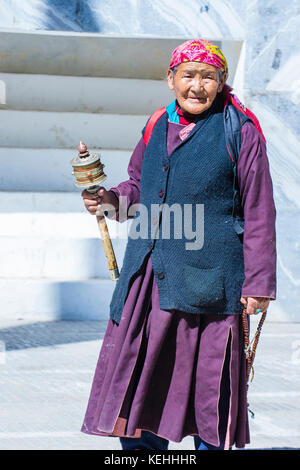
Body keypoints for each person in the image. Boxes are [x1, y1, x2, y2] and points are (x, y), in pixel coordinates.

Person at [80, 39, 276, 450]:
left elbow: (259, 209)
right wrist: (110, 200)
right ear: (171, 79)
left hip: (210, 286)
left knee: (208, 395)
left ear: (221, 83)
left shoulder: (238, 131)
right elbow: (138, 186)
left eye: (208, 76)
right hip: (148, 280)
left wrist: (258, 283)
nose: (197, 85)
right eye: (188, 75)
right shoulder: (156, 125)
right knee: (141, 387)